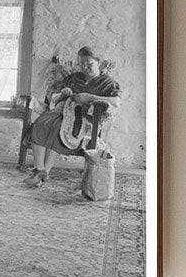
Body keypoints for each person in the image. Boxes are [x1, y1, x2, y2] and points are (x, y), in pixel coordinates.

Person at [27, 45, 120, 187]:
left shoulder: (107, 82)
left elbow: (116, 102)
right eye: (82, 64)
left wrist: (88, 97)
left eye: (89, 64)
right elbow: (57, 94)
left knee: (57, 127)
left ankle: (44, 173)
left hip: (85, 118)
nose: (85, 67)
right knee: (41, 122)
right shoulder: (75, 77)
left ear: (98, 62)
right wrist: (64, 92)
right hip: (63, 110)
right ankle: (39, 170)